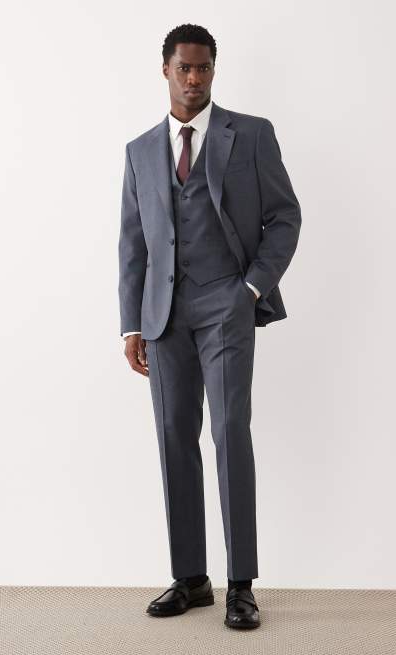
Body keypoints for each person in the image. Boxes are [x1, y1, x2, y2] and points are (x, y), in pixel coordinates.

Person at [118, 23, 301, 630]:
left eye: (203, 68)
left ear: (213, 71)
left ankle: (240, 584)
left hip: (227, 303)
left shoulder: (250, 134)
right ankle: (191, 578)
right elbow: (133, 244)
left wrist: (251, 288)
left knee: (228, 434)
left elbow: (285, 216)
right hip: (164, 316)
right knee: (174, 439)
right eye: (184, 68)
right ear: (165, 70)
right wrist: (131, 325)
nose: (194, 79)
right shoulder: (140, 151)